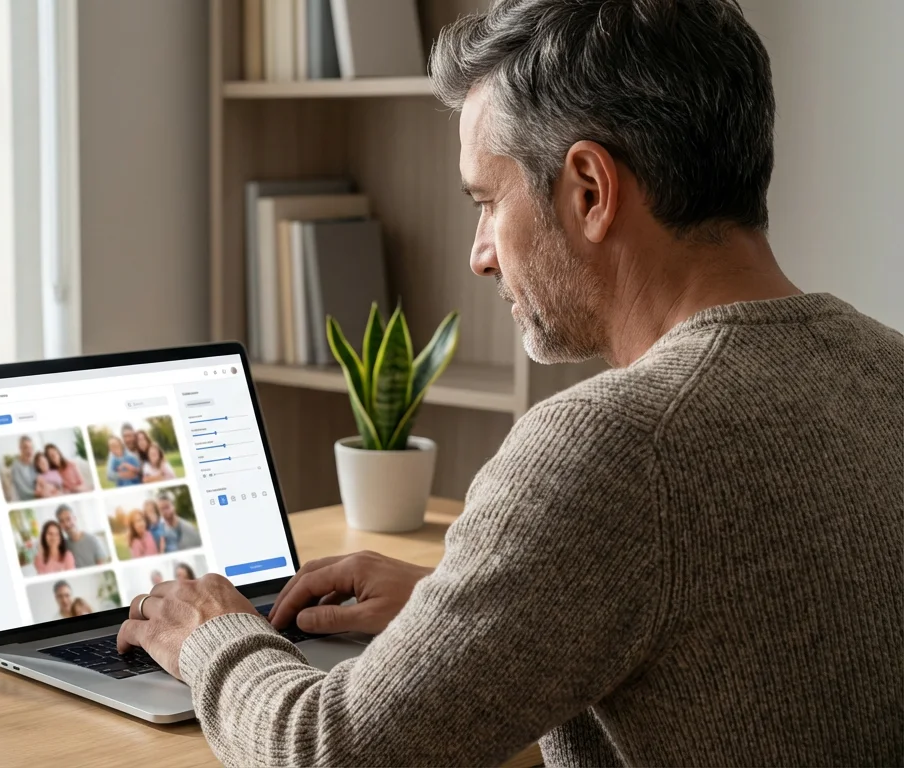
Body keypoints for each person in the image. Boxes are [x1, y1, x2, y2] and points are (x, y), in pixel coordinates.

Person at [114, 1, 904, 764]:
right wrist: (467, 609)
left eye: (489, 202)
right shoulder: (885, 369)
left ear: (590, 190)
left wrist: (211, 634)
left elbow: (333, 751)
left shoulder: (614, 442)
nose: (480, 253)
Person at [9, 436, 37, 502]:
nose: (29, 450)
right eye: (26, 447)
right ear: (20, 449)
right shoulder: (16, 466)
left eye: (31, 448)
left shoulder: (34, 463)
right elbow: (22, 491)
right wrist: (37, 494)